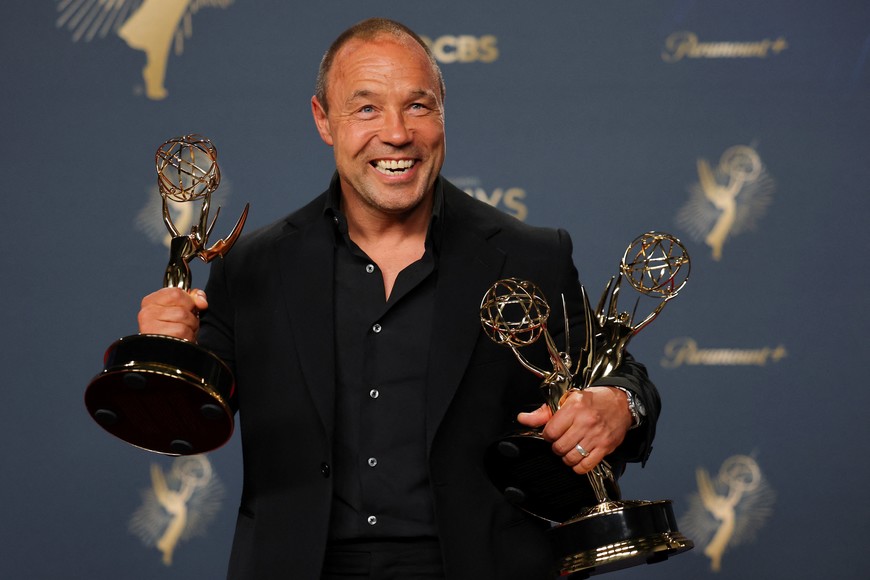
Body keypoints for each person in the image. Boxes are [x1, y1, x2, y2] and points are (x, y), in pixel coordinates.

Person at [138, 18, 660, 580]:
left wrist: (618, 405)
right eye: (366, 109)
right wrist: (165, 353)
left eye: (417, 106)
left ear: (442, 114)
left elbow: (618, 376)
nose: (396, 133)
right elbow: (184, 419)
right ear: (323, 120)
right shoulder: (252, 267)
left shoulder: (531, 255)